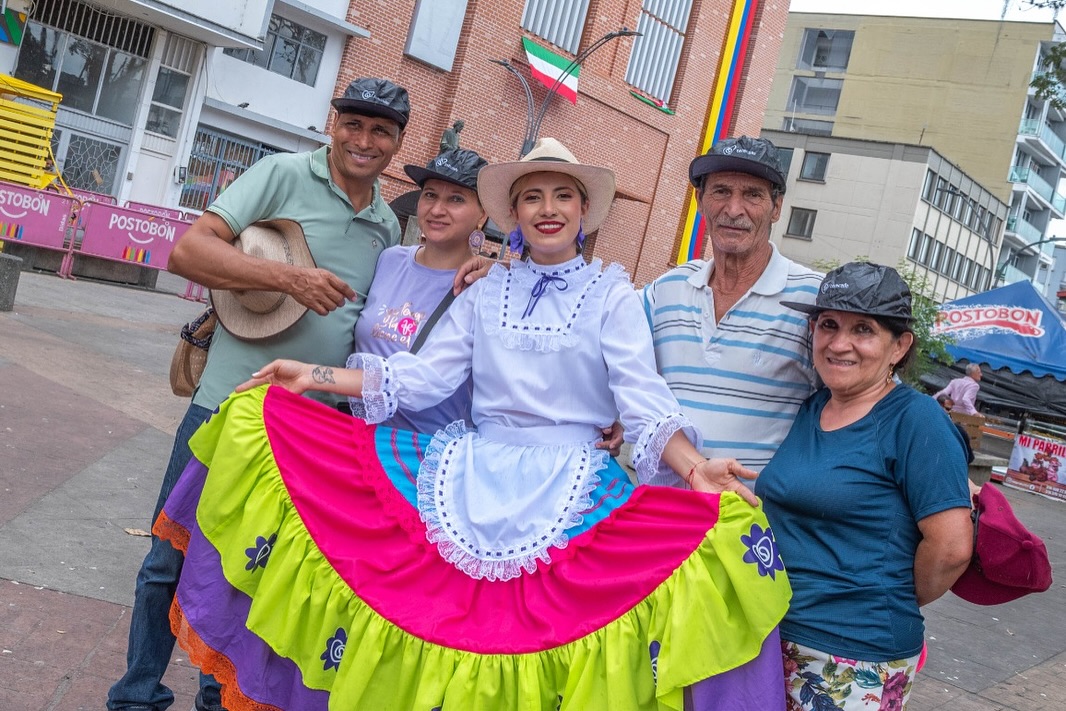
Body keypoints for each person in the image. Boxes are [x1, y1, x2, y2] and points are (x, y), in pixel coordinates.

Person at [154, 138, 792, 710]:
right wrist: (311, 377)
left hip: (572, 490)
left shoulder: (614, 295)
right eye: (532, 197)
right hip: (465, 479)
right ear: (513, 215)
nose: (548, 209)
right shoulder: (486, 291)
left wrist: (692, 466)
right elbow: (422, 376)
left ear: (583, 212)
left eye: (562, 196)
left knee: (542, 647)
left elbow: (642, 397)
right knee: (435, 629)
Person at [106, 77, 408, 711]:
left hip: (307, 433)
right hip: (227, 406)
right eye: (354, 123)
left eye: (381, 130)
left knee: (253, 576)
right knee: (171, 558)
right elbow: (187, 251)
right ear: (334, 125)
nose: (364, 140)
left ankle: (220, 699)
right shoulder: (281, 173)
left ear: (397, 141)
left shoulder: (385, 222)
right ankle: (136, 698)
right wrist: (288, 278)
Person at [757, 262, 974, 710]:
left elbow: (951, 548)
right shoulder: (814, 406)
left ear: (899, 346)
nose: (839, 344)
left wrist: (879, 595)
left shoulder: (917, 421)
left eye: (863, 330)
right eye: (828, 325)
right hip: (774, 635)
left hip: (854, 654)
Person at [640, 136, 822, 483]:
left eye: (752, 194)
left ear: (777, 207)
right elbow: (606, 355)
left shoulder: (813, 298)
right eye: (721, 191)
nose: (734, 209)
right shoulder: (667, 289)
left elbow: (869, 395)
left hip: (751, 524)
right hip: (661, 517)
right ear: (699, 200)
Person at [937, 394, 975, 464]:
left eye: (950, 409)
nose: (948, 412)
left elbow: (969, 457)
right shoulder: (957, 430)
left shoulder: (958, 430)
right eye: (947, 409)